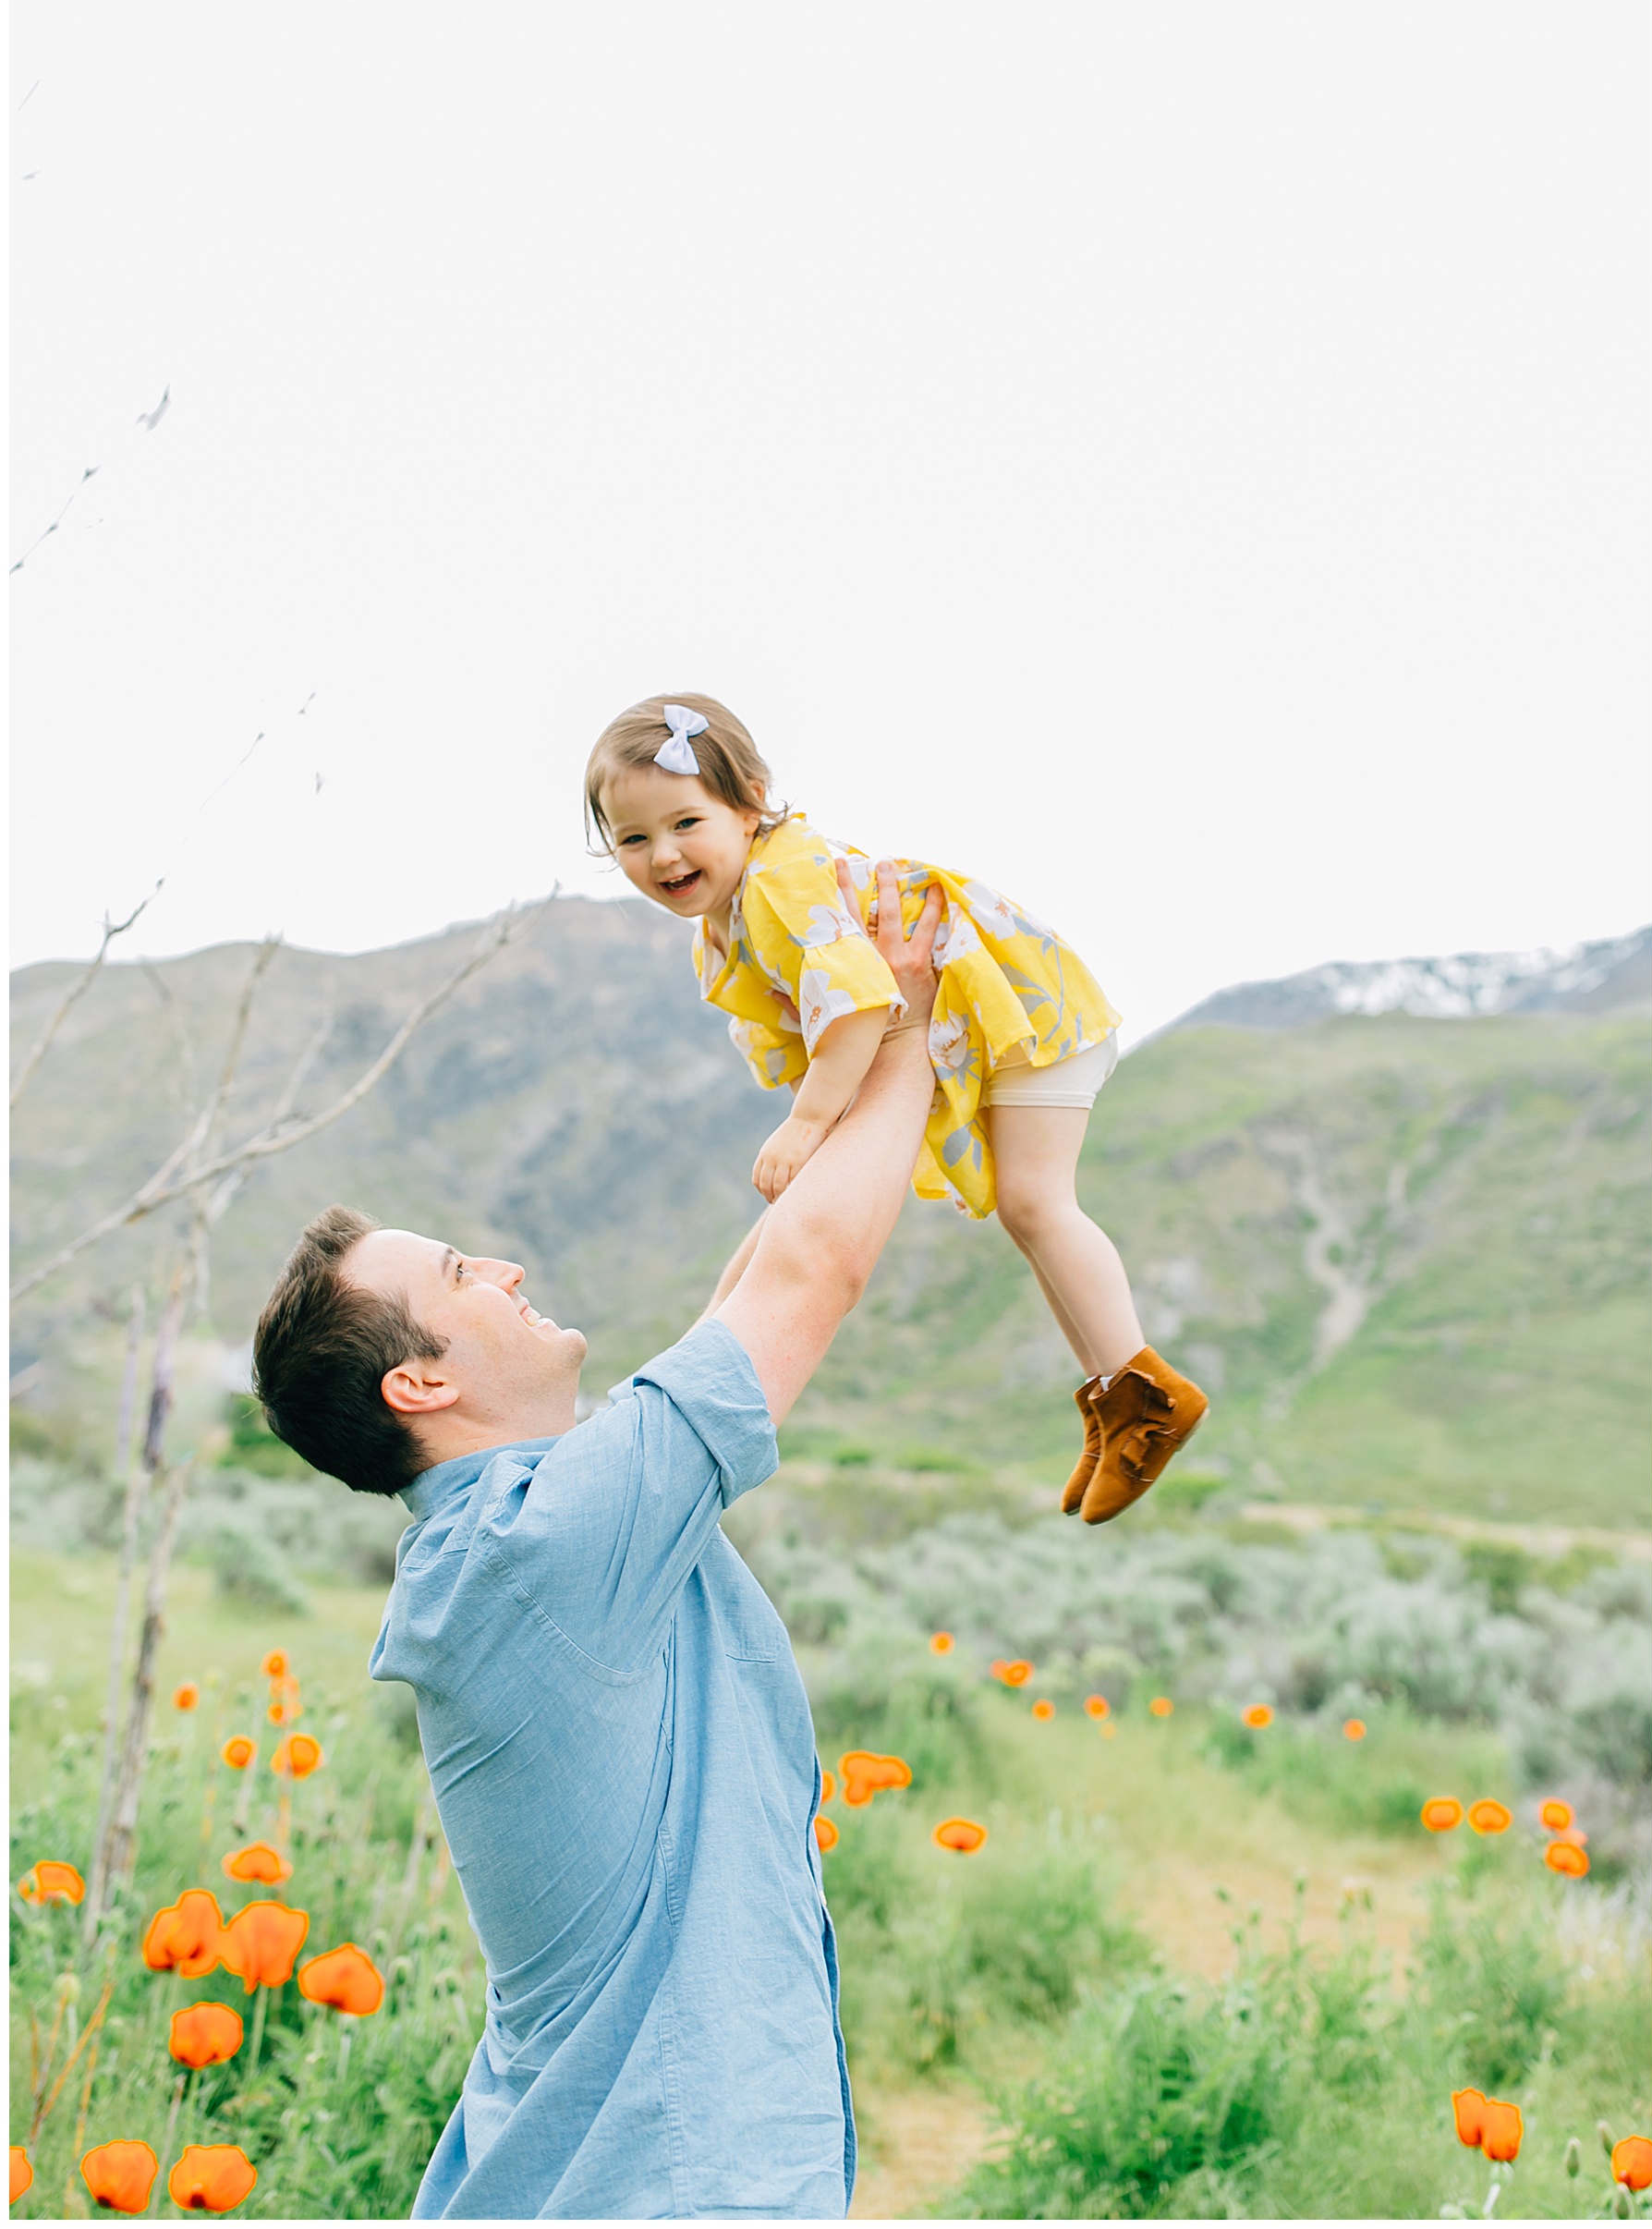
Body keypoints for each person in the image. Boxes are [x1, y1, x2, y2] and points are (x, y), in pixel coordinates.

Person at [250, 861, 946, 2220]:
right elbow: (812, 1274)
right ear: (422, 1383)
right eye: (462, 1276)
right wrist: (915, 1027)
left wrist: (849, 1049)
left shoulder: (532, 1532)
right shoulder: (546, 1547)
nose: (504, 1266)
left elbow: (744, 1293)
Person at [583, 691, 1208, 1526]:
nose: (662, 854)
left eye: (685, 823)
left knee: (1037, 1202)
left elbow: (859, 1007)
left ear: (750, 803)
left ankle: (1150, 1394)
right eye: (632, 838)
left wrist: (809, 1124)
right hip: (982, 1020)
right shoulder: (735, 914)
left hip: (1018, 1011)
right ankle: (1115, 1395)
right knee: (1027, 1213)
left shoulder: (778, 886)